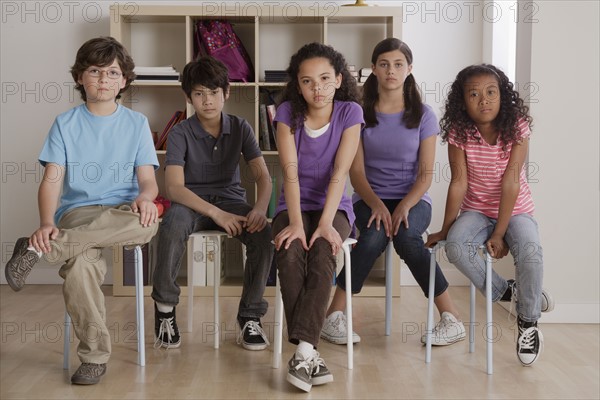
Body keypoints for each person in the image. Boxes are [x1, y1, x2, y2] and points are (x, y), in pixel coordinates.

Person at [4, 37, 160, 385]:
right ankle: (93, 357)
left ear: (124, 81)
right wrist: (47, 222)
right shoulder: (65, 124)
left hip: (126, 212)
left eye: (112, 72)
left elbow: (148, 182)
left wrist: (147, 198)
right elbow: (52, 181)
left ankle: (37, 251)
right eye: (94, 71)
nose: (103, 79)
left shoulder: (136, 124)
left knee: (148, 224)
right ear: (80, 78)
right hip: (79, 213)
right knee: (81, 267)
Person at [321, 38, 466, 347]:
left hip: (414, 198)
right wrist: (376, 204)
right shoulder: (358, 112)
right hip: (369, 197)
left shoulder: (423, 115)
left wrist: (404, 206)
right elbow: (356, 172)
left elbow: (426, 175)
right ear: (373, 69)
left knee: (407, 237)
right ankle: (333, 317)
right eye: (384, 64)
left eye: (398, 64)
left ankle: (450, 318)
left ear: (409, 69)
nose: (391, 70)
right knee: (371, 237)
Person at [425, 64, 554, 366]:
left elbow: (511, 180)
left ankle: (528, 322)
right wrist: (445, 229)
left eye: (491, 92)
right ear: (462, 101)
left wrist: (500, 233)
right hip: (477, 210)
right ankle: (508, 291)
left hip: (516, 208)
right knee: (456, 246)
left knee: (531, 252)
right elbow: (459, 182)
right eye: (474, 94)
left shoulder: (517, 126)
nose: (483, 99)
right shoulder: (460, 131)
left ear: (502, 96)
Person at [151, 56, 274, 351]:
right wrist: (215, 214)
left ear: (226, 92)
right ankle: (165, 309)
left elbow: (264, 179)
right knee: (173, 223)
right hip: (191, 203)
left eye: (214, 92)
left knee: (264, 234)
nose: (208, 100)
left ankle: (250, 317)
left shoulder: (241, 127)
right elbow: (174, 187)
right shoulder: (181, 133)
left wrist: (258, 209)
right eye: (199, 93)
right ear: (189, 97)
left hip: (231, 202)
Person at [272, 42, 363, 392]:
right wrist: (296, 223)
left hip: (335, 206)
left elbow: (340, 173)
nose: (318, 88)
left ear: (339, 79)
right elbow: (289, 173)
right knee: (290, 250)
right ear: (298, 84)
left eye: (325, 78)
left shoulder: (351, 113)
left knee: (324, 251)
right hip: (292, 205)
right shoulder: (285, 115)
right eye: (308, 81)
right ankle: (310, 355)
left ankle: (304, 351)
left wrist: (325, 224)